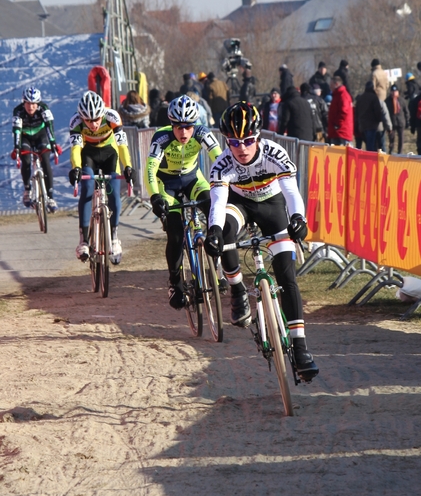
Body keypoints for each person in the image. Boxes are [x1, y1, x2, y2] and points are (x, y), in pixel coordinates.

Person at [204, 101, 318, 382]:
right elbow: (217, 204)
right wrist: (214, 231)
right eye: (233, 142)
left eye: (247, 141)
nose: (241, 148)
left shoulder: (275, 154)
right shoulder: (222, 165)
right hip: (240, 204)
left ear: (258, 137)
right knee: (226, 233)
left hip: (272, 204)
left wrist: (299, 220)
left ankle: (301, 347)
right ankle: (237, 290)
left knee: (286, 273)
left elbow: (291, 193)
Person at [144, 95, 222, 309]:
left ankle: (221, 267)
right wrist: (155, 196)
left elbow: (220, 158)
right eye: (179, 127)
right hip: (166, 185)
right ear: (172, 124)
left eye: (188, 127)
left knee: (215, 209)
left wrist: (231, 184)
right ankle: (175, 283)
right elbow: (150, 169)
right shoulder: (161, 138)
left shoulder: (202, 133)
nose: (184, 132)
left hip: (193, 179)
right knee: (176, 233)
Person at [68, 90, 133, 264]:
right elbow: (75, 149)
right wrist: (76, 169)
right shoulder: (76, 121)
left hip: (109, 154)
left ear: (102, 114)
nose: (94, 124)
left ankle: (114, 238)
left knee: (113, 193)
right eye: (88, 120)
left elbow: (122, 146)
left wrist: (128, 167)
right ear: (82, 117)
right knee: (88, 187)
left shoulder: (112, 117)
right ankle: (84, 241)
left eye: (97, 119)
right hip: (88, 155)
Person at [11, 86, 61, 211]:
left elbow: (49, 126)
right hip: (25, 137)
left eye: (33, 103)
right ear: (24, 102)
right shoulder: (18, 111)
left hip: (41, 136)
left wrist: (53, 143)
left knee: (45, 160)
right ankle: (27, 189)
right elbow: (17, 130)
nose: (31, 107)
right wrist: (16, 148)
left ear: (38, 103)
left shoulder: (44, 108)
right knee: (26, 160)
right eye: (28, 103)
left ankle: (50, 197)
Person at [354, 81, 383, 152]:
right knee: (371, 146)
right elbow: (378, 111)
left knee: (368, 144)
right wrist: (379, 120)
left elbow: (356, 111)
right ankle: (370, 161)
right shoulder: (374, 98)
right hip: (372, 125)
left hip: (362, 126)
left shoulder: (361, 98)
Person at [327, 76, 353, 146]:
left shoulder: (343, 95)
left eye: (331, 85)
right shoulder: (337, 95)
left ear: (336, 84)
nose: (330, 87)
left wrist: (337, 124)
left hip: (341, 132)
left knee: (341, 154)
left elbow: (344, 111)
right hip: (337, 132)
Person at [385, 84, 409, 154]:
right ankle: (391, 150)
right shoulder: (387, 101)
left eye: (395, 91)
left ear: (398, 92)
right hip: (392, 123)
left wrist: (407, 120)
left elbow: (406, 111)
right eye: (392, 91)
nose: (394, 93)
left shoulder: (402, 100)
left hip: (401, 122)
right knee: (391, 138)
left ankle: (400, 152)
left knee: (401, 138)